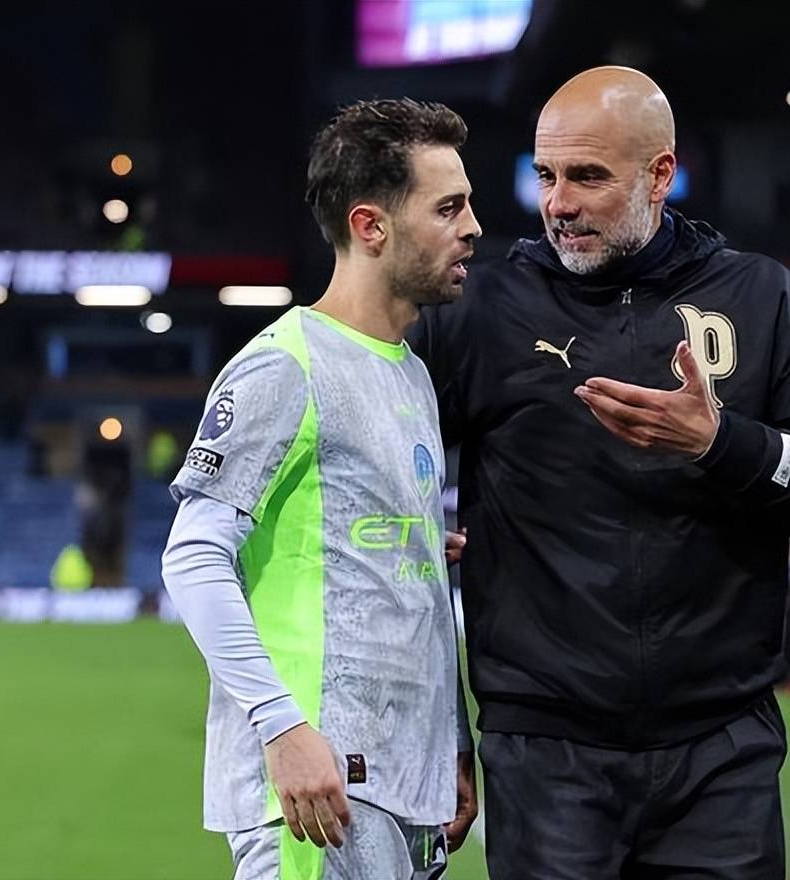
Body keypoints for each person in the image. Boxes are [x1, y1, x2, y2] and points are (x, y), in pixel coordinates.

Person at [409, 67, 790, 879]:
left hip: (721, 755)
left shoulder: (767, 302)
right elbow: (370, 451)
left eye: (587, 176)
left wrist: (723, 443)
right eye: (546, 176)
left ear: (660, 175)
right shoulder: (482, 312)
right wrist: (413, 529)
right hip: (546, 752)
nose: (558, 203)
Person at [161, 98, 482, 879]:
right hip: (317, 790)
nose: (473, 227)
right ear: (371, 226)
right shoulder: (286, 365)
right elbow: (193, 557)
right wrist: (281, 727)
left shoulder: (410, 375)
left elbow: (399, 575)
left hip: (402, 786)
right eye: (448, 208)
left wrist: (451, 743)